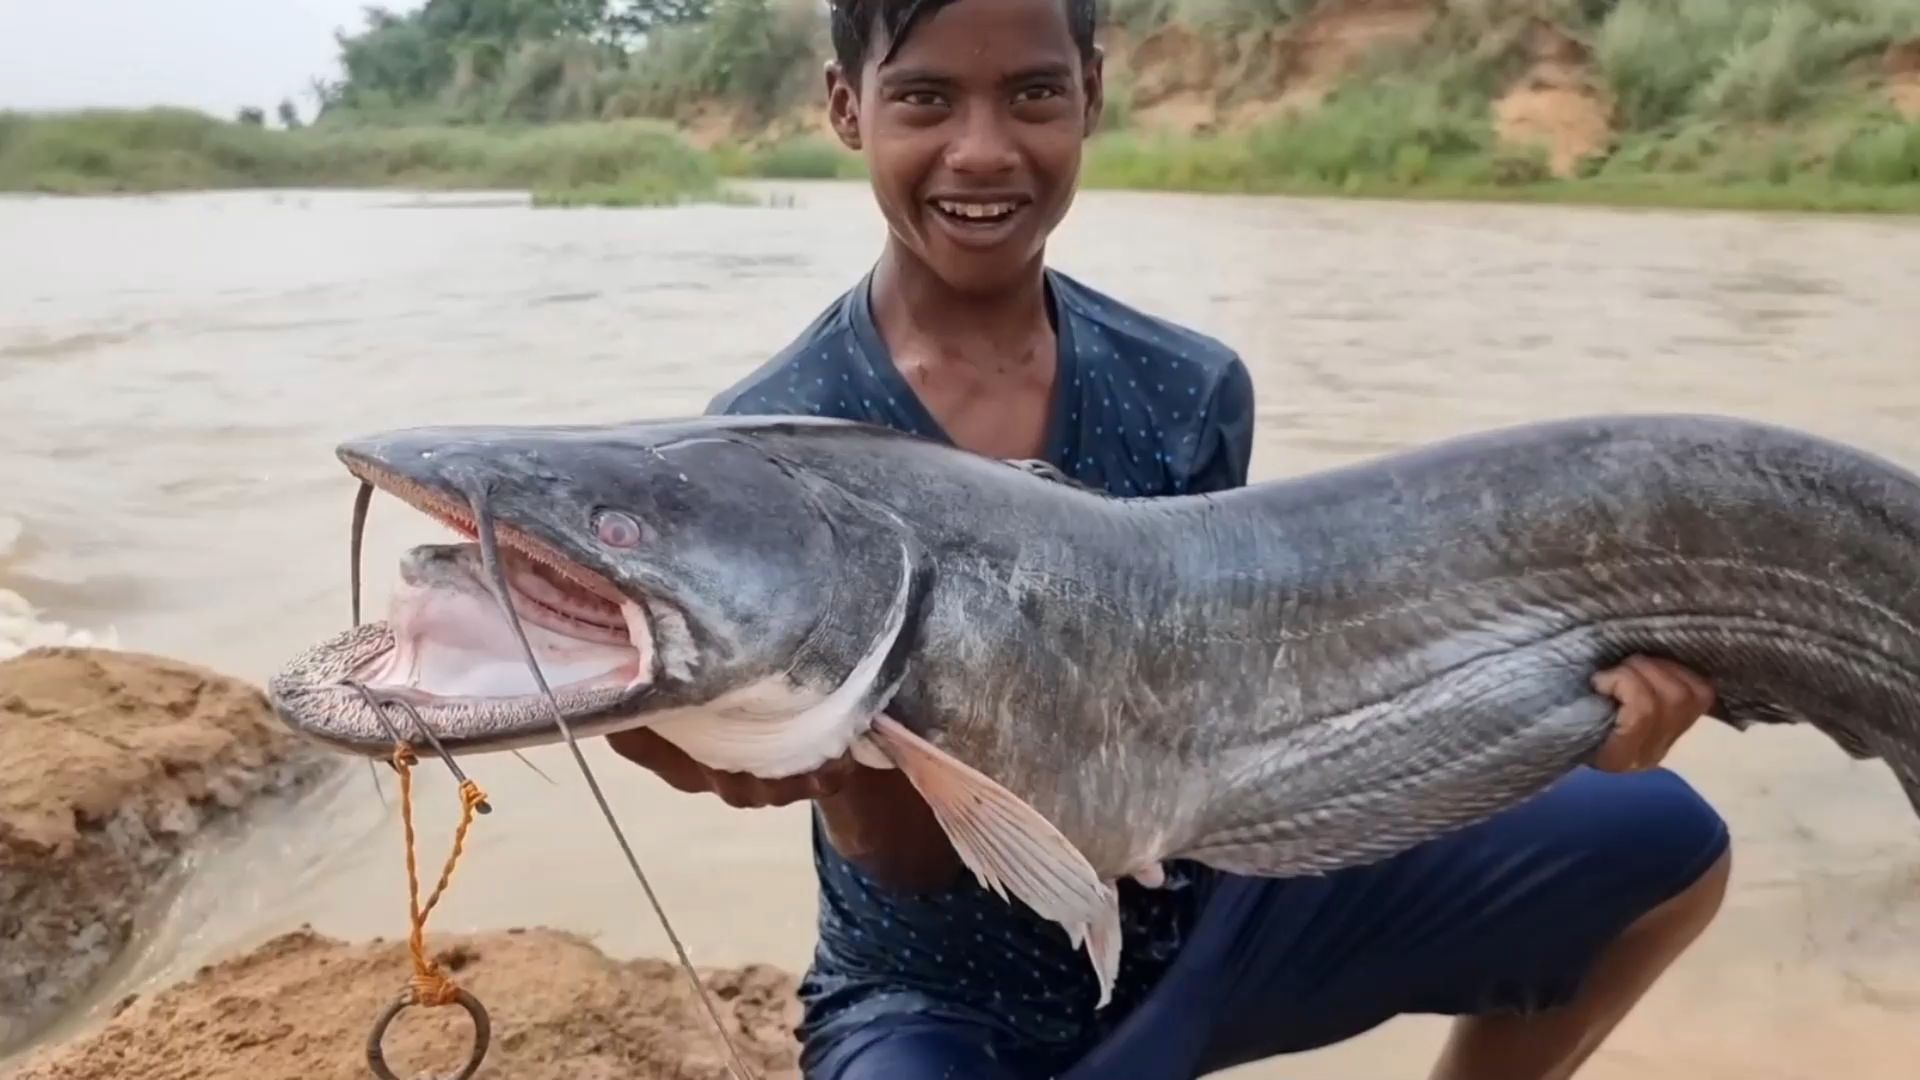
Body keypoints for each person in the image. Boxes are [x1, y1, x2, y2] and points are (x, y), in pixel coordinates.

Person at [607, 0, 1733, 1077]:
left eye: (1035, 93)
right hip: (936, 993)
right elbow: (906, 865)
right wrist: (819, 766)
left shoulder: (1187, 386)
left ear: (1091, 94)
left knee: (1663, 847)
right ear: (848, 107)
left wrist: (1545, 723)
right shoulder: (770, 451)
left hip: (1205, 914)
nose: (985, 149)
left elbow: (1230, 721)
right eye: (927, 99)